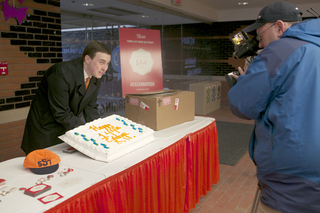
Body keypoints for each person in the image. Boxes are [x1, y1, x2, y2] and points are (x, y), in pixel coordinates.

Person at [228, 1, 320, 213]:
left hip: (291, 183)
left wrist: (244, 82)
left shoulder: (281, 50)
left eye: (260, 36)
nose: (260, 45)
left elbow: (242, 104)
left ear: (279, 27)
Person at [21, 41, 111, 154]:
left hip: (66, 129)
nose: (105, 68)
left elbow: (90, 108)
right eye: (101, 62)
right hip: (45, 131)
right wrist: (86, 131)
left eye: (107, 63)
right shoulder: (61, 73)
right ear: (87, 59)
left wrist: (100, 132)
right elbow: (61, 113)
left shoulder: (95, 76)